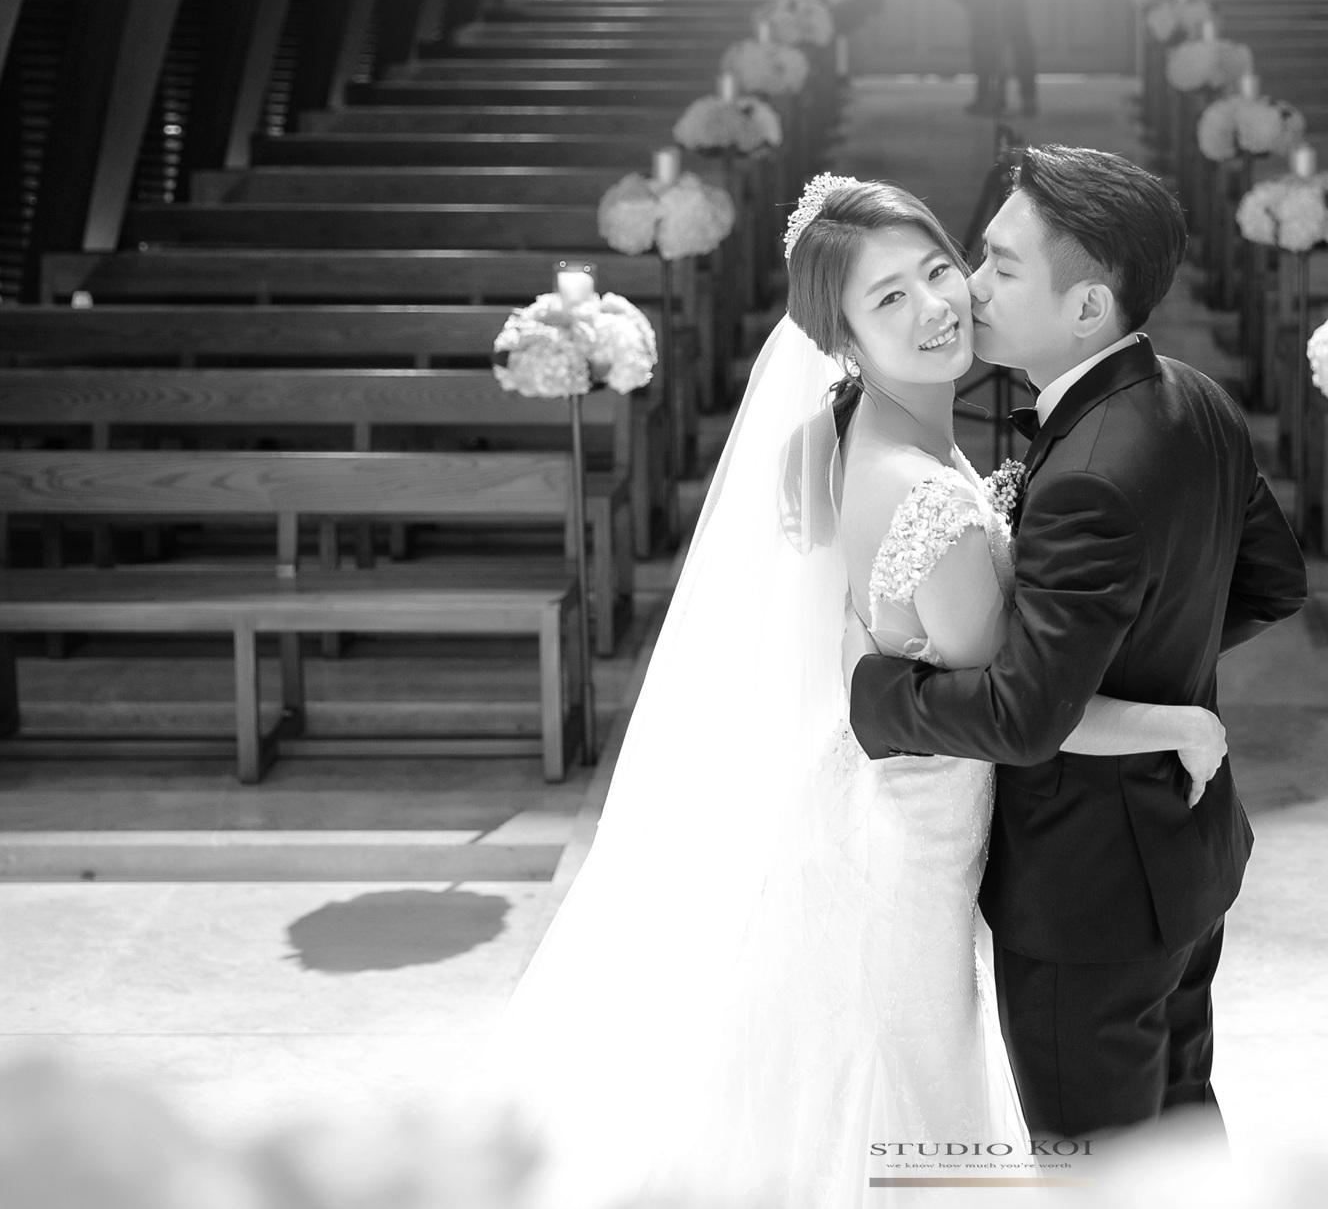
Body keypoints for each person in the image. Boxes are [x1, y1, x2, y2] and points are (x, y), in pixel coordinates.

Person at [485, 174, 1234, 1209]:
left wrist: (865, 642)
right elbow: (1020, 710)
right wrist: (1176, 724)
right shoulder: (923, 496)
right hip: (912, 847)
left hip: (876, 810)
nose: (935, 306)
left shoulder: (852, 425)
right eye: (888, 299)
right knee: (915, 1099)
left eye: (938, 269)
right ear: (841, 340)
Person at [848, 144, 1309, 1140]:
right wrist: (1150, 667)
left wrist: (879, 698)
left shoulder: (1088, 475)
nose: (970, 286)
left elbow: (1025, 714)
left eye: (1002, 267)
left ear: (1089, 307)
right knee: (1177, 1127)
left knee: (1092, 1162)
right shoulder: (1196, 397)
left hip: (1087, 895)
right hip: (1186, 852)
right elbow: (1275, 582)